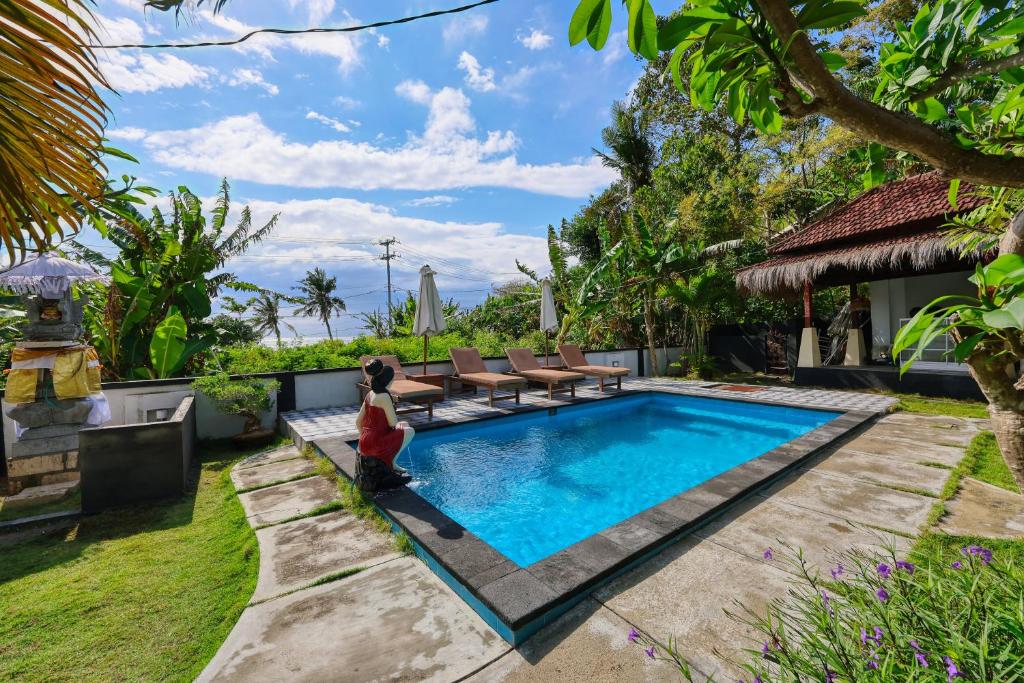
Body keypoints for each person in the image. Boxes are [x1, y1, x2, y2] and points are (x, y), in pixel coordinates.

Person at [355, 359, 414, 493]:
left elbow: (358, 422)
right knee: (409, 431)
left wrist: (363, 440)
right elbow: (393, 423)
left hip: (364, 441)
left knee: (404, 425)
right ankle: (392, 462)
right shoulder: (384, 396)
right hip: (376, 442)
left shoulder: (370, 394)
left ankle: (391, 462)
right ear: (388, 381)